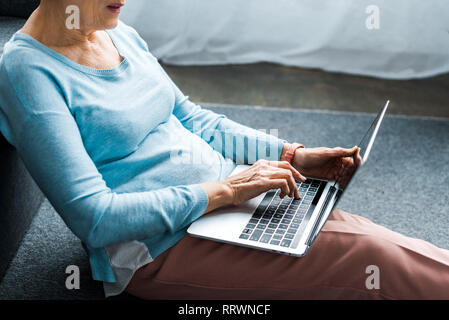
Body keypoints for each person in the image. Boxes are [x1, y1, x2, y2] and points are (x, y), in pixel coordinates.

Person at [0, 0, 448, 300]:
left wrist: (295, 156)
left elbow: (195, 120)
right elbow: (95, 219)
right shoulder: (28, 73)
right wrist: (224, 192)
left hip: (230, 204)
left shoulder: (117, 33)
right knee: (374, 258)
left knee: (379, 245)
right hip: (160, 248)